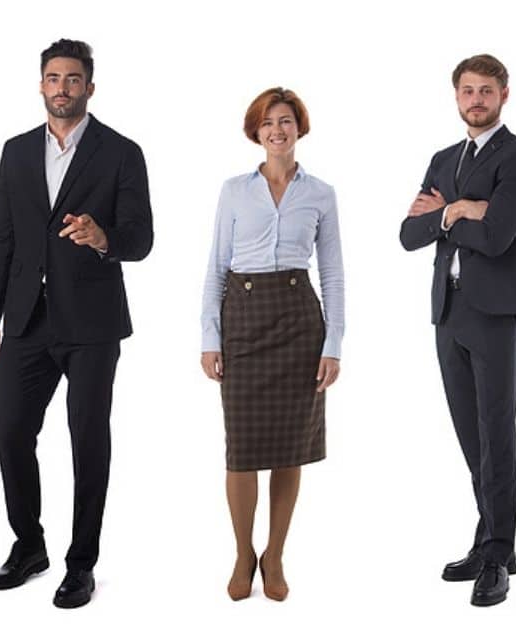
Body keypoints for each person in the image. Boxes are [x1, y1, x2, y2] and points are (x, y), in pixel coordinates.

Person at [0, 39, 153, 609]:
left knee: (87, 441)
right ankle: (29, 544)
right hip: (26, 321)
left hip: (91, 322)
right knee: (8, 427)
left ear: (90, 85)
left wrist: (104, 237)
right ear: (41, 85)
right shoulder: (13, 152)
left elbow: (142, 237)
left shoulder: (120, 153)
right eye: (53, 78)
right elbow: (2, 238)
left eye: (74, 78)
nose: (63, 87)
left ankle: (80, 564)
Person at [399, 53, 516, 608]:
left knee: (495, 431)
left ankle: (500, 552)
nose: (475, 100)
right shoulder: (442, 159)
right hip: (448, 308)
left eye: (485, 90)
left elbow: (501, 235)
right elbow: (408, 235)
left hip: (496, 310)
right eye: (467, 91)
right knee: (468, 432)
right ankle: (488, 541)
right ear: (455, 96)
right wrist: (461, 209)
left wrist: (446, 214)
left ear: (504, 94)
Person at [200, 87, 344, 602]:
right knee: (240, 451)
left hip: (298, 322)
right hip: (242, 318)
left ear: (298, 128)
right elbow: (216, 266)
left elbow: (331, 273)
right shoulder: (234, 190)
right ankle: (243, 552)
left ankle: (275, 553)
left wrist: (334, 344)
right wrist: (208, 337)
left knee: (291, 449)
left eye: (285, 121)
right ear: (256, 132)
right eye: (267, 123)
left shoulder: (321, 193)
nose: (277, 130)